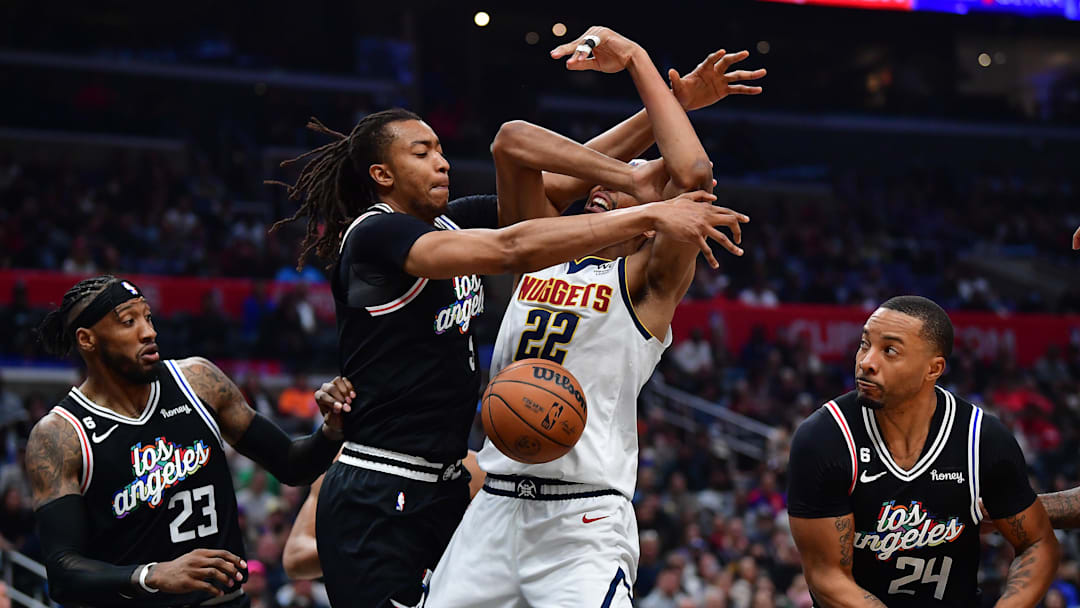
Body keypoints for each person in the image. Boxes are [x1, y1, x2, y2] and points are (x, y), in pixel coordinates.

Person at [268, 49, 760, 608]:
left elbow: (573, 169)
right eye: (423, 152)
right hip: (389, 481)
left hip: (470, 487)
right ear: (382, 174)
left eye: (442, 150)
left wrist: (671, 105)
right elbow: (512, 234)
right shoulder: (375, 234)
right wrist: (642, 200)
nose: (443, 162)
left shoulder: (629, 270)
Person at [426, 26, 750, 608]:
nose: (603, 188)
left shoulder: (647, 282)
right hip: (496, 505)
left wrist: (636, 57)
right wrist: (633, 168)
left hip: (584, 516)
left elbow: (694, 175)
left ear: (656, 215)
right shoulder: (541, 246)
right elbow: (512, 141)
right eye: (599, 182)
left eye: (626, 191)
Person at [26, 275, 346, 607]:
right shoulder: (60, 435)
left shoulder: (199, 381)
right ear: (87, 339)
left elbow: (292, 465)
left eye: (148, 317)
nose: (149, 332)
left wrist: (331, 430)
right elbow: (63, 572)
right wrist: (151, 575)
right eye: (128, 322)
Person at [787, 295, 1058, 607]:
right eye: (864, 344)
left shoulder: (982, 439)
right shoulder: (824, 438)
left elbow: (1038, 542)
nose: (866, 362)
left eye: (889, 350)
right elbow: (827, 577)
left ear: (934, 369)